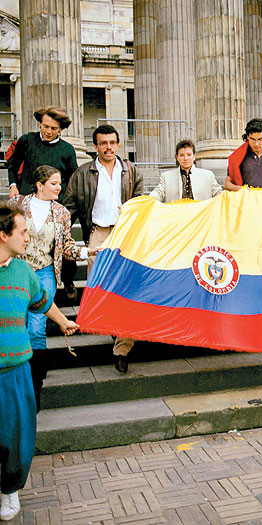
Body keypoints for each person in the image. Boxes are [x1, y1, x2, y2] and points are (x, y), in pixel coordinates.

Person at [0, 201, 78, 521]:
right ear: (3, 235)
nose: (28, 239)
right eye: (22, 232)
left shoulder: (24, 271)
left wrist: (63, 322)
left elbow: (43, 302)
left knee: (15, 435)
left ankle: (9, 491)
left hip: (17, 371)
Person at [12, 165, 99, 412]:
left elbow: (66, 245)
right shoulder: (18, 205)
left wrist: (85, 251)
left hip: (45, 272)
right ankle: (19, 380)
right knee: (20, 323)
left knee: (37, 327)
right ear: (39, 185)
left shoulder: (61, 212)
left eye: (60, 183)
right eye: (54, 183)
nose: (59, 188)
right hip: (19, 270)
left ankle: (35, 387)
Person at [63, 124, 144, 374]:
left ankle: (122, 349)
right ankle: (113, 325)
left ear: (118, 144)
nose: (108, 147)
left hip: (125, 234)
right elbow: (70, 206)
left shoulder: (130, 171)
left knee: (127, 290)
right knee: (100, 289)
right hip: (97, 234)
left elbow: (142, 201)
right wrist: (60, 232)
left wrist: (133, 214)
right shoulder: (83, 173)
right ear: (96, 146)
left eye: (112, 142)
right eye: (103, 143)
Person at [8, 106, 79, 301]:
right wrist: (14, 185)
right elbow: (13, 164)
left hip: (55, 207)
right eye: (45, 126)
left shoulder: (67, 149)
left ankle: (67, 278)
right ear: (39, 123)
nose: (48, 131)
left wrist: (65, 206)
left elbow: (73, 179)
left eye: (53, 128)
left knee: (62, 246)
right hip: (27, 202)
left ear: (61, 130)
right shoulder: (26, 141)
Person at [150, 139, 222, 202]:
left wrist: (225, 195)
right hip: (176, 215)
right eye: (181, 155)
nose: (185, 158)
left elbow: (218, 192)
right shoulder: (166, 177)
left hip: (201, 215)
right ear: (177, 157)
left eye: (189, 154)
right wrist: (149, 199)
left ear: (194, 156)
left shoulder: (208, 175)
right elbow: (158, 192)